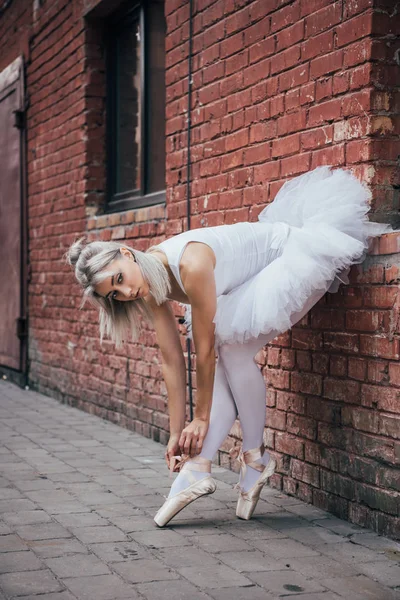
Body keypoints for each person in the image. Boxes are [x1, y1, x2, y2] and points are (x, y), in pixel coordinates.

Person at [66, 165, 393, 527]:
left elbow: (203, 352)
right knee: (229, 357)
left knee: (231, 353)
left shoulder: (190, 264)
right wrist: (176, 433)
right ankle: (206, 466)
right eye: (115, 294)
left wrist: (201, 418)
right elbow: (172, 360)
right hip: (247, 282)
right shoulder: (148, 284)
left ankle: (244, 460)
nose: (126, 292)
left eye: (119, 280)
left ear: (127, 255)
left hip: (290, 254)